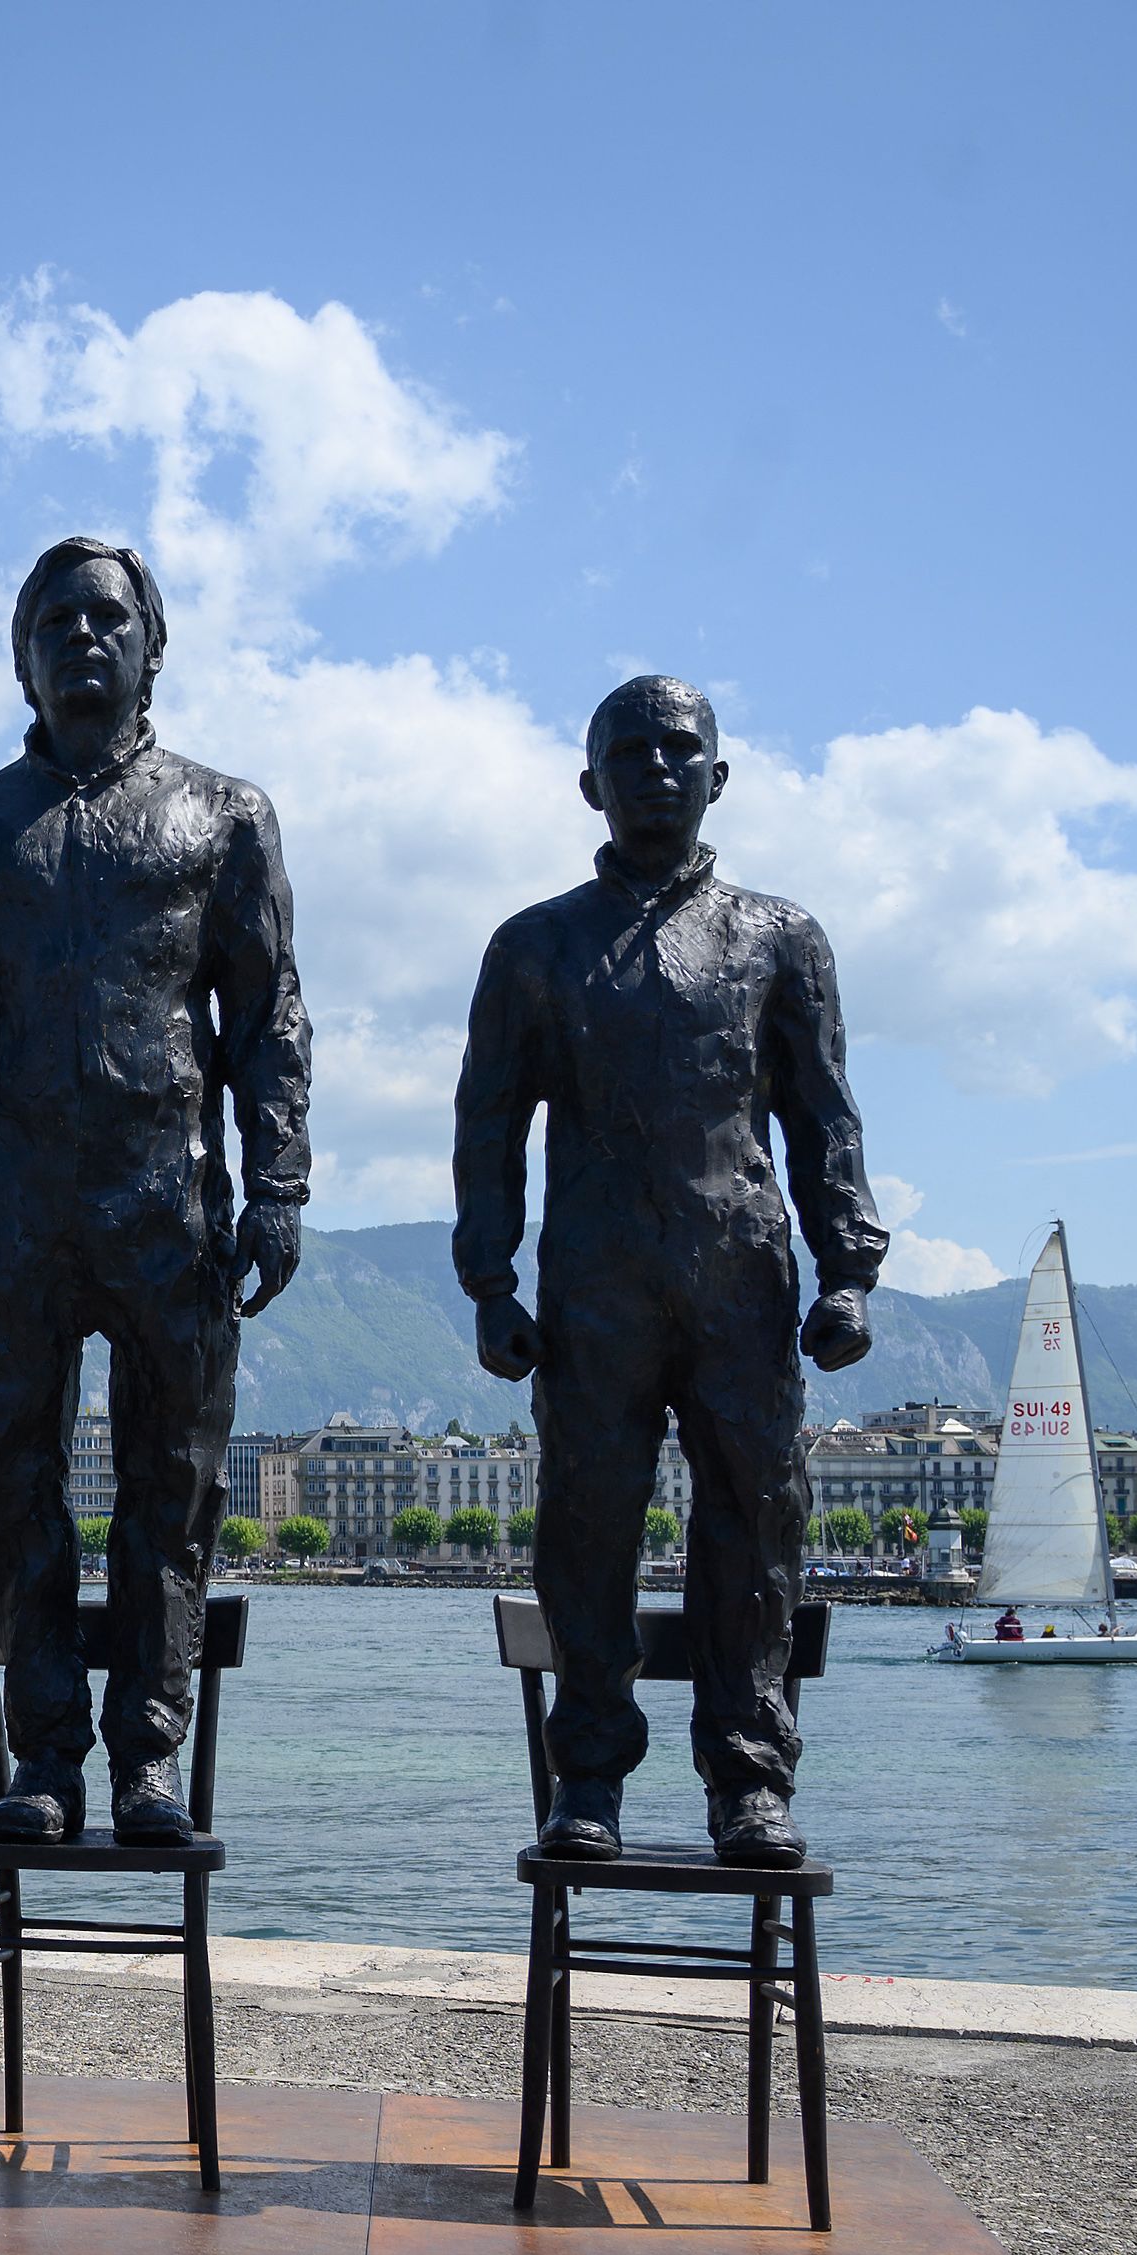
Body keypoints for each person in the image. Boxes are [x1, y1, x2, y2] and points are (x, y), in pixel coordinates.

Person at [0, 537, 312, 1846]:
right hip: (8, 1206)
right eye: (53, 620)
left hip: (167, 1202)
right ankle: (44, 1758)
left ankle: (149, 1760)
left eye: (105, 617)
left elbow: (267, 1013)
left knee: (170, 1490)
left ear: (150, 645)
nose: (81, 636)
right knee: (12, 1485)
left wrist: (278, 1187)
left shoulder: (225, 815)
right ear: (21, 654)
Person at [453, 676, 884, 1868]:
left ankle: (748, 1778)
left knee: (755, 1523)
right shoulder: (533, 946)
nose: (654, 767)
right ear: (589, 784)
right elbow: (486, 1126)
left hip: (742, 1278)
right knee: (583, 1530)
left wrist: (846, 1267)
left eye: (677, 749)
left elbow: (823, 1117)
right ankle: (586, 1773)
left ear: (716, 777)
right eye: (627, 752)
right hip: (592, 1288)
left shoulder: (779, 937)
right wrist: (488, 1283)